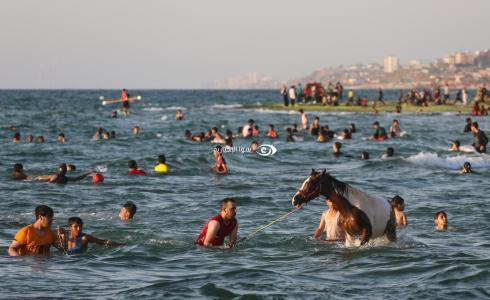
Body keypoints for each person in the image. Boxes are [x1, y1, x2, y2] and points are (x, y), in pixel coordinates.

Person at [58, 217, 122, 254]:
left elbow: (103, 242)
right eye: (76, 226)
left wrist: (120, 245)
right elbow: (58, 230)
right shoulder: (65, 235)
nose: (79, 229)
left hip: (80, 261)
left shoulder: (85, 238)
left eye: (80, 226)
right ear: (69, 227)